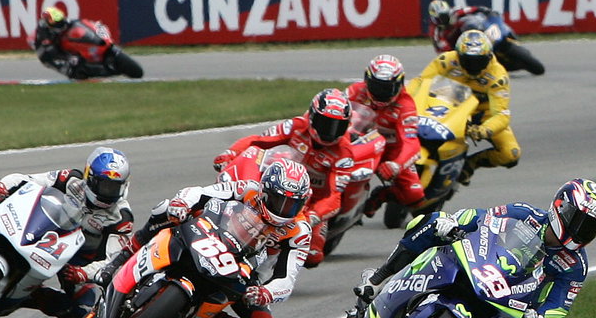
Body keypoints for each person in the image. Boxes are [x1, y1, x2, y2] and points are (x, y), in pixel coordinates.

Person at [355, 178, 596, 318]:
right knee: (432, 223)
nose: (581, 230)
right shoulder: (524, 213)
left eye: (590, 227)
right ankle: (380, 277)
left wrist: (540, 317)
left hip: (512, 304)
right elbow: (482, 218)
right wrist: (455, 223)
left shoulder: (576, 264)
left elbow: (560, 305)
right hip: (479, 267)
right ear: (560, 208)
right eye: (579, 221)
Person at [97, 155, 313, 318]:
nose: (284, 209)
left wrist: (266, 292)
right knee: (164, 210)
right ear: (265, 191)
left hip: (245, 272)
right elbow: (201, 192)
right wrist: (183, 203)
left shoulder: (299, 232)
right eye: (279, 200)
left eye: (293, 204)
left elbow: (287, 278)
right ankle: (120, 260)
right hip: (210, 236)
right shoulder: (249, 189)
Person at [0, 147, 134, 318]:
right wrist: (1, 187)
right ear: (89, 178)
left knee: (81, 312)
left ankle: (27, 296)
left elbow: (114, 260)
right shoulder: (70, 179)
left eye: (114, 188)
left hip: (76, 261)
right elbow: (29, 180)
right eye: (104, 186)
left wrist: (83, 273)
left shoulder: (121, 217)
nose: (108, 193)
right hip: (42, 227)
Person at [211, 88, 362, 265]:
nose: (330, 131)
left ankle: (273, 273)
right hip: (277, 184)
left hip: (310, 204)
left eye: (338, 126)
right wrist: (230, 154)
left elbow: (335, 197)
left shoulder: (344, 153)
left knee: (313, 256)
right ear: (312, 116)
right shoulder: (296, 126)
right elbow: (257, 142)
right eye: (325, 123)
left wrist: (314, 215)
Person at [416, 28, 521, 178]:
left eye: (479, 61)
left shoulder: (498, 76)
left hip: (482, 114)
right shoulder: (446, 60)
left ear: (489, 56)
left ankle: (470, 164)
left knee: (511, 154)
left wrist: (484, 130)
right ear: (458, 55)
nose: (474, 67)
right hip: (448, 106)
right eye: (468, 61)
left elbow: (502, 114)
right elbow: (421, 83)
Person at [343, 54, 426, 210]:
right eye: (376, 86)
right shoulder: (355, 91)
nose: (381, 92)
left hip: (389, 152)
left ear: (399, 84)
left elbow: (411, 143)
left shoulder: (405, 104)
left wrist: (396, 165)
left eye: (387, 87)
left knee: (415, 196)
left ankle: (384, 194)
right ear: (367, 81)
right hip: (357, 143)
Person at [426, 0, 498, 54]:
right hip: (453, 46)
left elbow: (472, 9)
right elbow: (441, 48)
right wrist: (455, 53)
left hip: (464, 34)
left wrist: (487, 11)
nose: (445, 18)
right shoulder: (435, 30)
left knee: (469, 21)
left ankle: (487, 39)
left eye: (446, 15)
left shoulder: (454, 12)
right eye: (442, 17)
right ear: (435, 17)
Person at [32, 5, 81, 76]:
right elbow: (47, 43)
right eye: (50, 20)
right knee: (49, 53)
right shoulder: (43, 27)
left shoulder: (64, 21)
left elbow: (75, 23)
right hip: (45, 47)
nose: (52, 22)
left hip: (58, 40)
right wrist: (68, 57)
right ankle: (68, 70)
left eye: (53, 20)